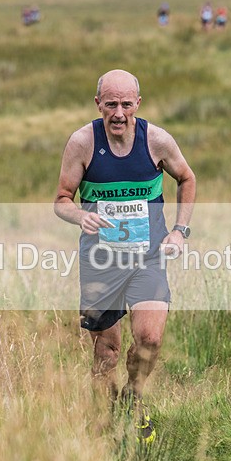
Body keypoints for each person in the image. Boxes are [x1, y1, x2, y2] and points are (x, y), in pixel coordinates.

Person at [54, 69, 196, 442]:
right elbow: (62, 200)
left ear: (138, 104)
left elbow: (187, 178)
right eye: (111, 104)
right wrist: (80, 215)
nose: (118, 113)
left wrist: (179, 231)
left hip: (147, 257)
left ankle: (136, 400)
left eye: (126, 104)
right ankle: (103, 425)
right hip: (100, 260)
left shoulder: (157, 141)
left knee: (149, 338)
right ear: (98, 103)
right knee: (107, 352)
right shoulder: (82, 142)